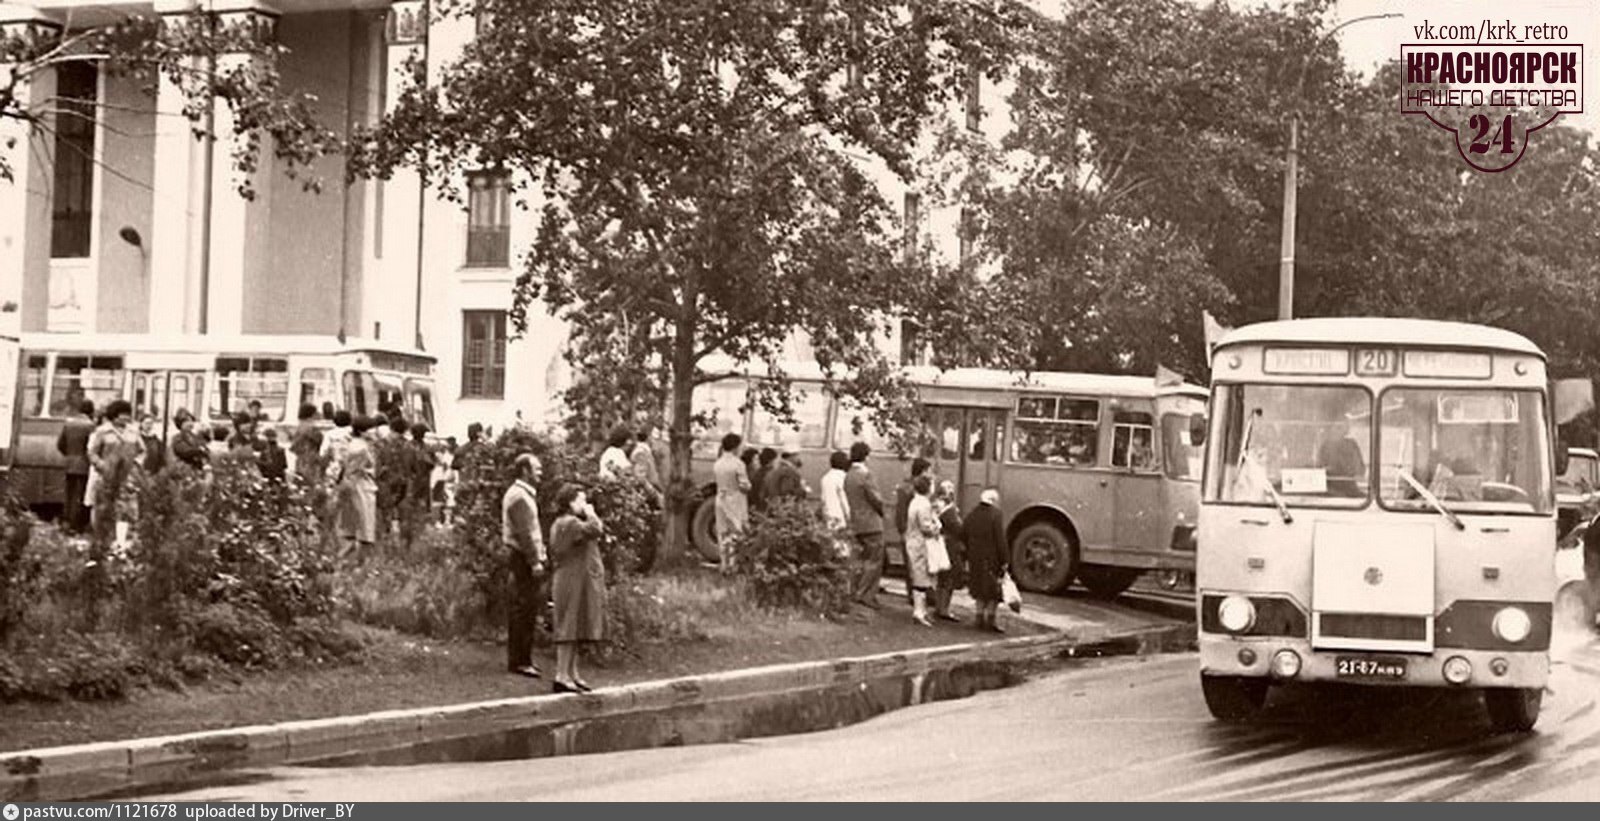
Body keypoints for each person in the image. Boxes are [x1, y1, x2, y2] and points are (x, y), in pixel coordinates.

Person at [549, 483, 606, 693]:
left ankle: (572, 672)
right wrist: (591, 514)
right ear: (570, 502)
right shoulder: (570, 523)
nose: (585, 504)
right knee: (567, 626)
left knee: (575, 626)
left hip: (576, 578)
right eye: (581, 500)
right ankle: (561, 674)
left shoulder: (568, 523)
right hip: (569, 579)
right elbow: (596, 529)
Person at [502, 454, 547, 679]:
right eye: (536, 468)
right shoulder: (519, 496)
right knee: (523, 608)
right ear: (524, 471)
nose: (540, 471)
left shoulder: (524, 494)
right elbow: (524, 533)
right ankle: (520, 661)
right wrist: (535, 561)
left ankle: (523, 659)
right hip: (521, 557)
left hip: (523, 556)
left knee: (526, 608)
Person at [87, 400, 144, 552]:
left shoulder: (133, 432)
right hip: (106, 477)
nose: (125, 418)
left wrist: (136, 465)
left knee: (124, 510)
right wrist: (101, 465)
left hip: (126, 477)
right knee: (104, 509)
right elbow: (92, 453)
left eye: (127, 415)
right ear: (114, 416)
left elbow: (142, 450)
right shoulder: (102, 432)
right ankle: (102, 542)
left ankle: (120, 543)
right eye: (122, 415)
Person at [844, 442, 887, 609]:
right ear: (866, 456)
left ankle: (854, 590)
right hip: (871, 523)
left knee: (859, 559)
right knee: (874, 560)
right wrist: (882, 512)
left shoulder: (849, 475)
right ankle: (866, 595)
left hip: (855, 522)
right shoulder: (866, 474)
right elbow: (875, 498)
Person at [964, 489, 1008, 633]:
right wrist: (1005, 559)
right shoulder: (996, 515)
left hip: (975, 558)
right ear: (993, 501)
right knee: (992, 591)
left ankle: (978, 618)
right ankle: (991, 620)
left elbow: (963, 533)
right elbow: (1000, 540)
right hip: (991, 558)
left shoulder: (972, 514)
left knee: (978, 589)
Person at [335, 416, 380, 557]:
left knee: (349, 528)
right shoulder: (361, 448)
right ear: (363, 431)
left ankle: (344, 559)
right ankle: (358, 562)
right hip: (361, 487)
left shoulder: (348, 444)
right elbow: (361, 470)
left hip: (350, 486)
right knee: (365, 528)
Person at [903, 474, 939, 626]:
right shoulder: (924, 504)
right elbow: (926, 526)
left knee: (919, 576)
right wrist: (937, 527)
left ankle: (921, 611)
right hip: (920, 544)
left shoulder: (914, 501)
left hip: (913, 542)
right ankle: (919, 611)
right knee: (921, 578)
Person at [713, 433, 752, 572]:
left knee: (722, 532)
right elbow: (744, 485)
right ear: (736, 447)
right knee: (735, 532)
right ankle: (733, 564)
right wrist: (748, 487)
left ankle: (723, 563)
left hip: (720, 499)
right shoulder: (738, 464)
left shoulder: (718, 463)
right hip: (735, 500)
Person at [56, 400, 96, 533]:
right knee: (80, 495)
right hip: (84, 464)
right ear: (91, 411)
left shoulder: (69, 423)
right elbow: (92, 447)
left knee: (69, 494)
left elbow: (60, 445)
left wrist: (69, 455)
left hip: (69, 463)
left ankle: (65, 521)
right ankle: (75, 524)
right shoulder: (91, 426)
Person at [932, 480, 966, 622]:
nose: (952, 492)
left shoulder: (936, 506)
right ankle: (944, 609)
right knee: (949, 579)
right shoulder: (949, 511)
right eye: (949, 490)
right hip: (951, 548)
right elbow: (959, 529)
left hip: (941, 546)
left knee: (942, 579)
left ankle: (939, 607)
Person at [1318, 419, 1364, 496]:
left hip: (1350, 487)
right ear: (1330, 429)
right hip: (1330, 487)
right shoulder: (1326, 445)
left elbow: (1360, 469)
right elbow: (1322, 467)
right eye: (1338, 427)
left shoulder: (1351, 444)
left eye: (1345, 427)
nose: (1343, 430)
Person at [895, 458, 933, 544]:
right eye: (929, 471)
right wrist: (903, 531)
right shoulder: (908, 489)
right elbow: (901, 510)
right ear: (923, 471)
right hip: (911, 532)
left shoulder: (908, 487)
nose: (931, 475)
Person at [290, 403, 324, 484]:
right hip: (311, 459)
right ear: (311, 414)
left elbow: (293, 446)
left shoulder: (299, 426)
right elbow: (319, 439)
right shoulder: (311, 428)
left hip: (301, 459)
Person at [820, 450, 851, 531]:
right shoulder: (843, 478)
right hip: (841, 518)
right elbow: (844, 500)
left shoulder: (826, 478)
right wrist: (849, 516)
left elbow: (823, 498)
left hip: (828, 517)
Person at [749, 448, 778, 513]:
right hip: (768, 509)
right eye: (776, 460)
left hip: (757, 508)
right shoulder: (772, 474)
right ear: (771, 460)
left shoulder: (757, 473)